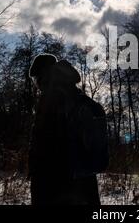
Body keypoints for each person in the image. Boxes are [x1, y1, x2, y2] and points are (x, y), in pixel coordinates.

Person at [28, 54, 103, 205]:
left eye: (35, 78)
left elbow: (43, 145)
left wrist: (37, 177)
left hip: (56, 181)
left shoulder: (50, 98)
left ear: (43, 75)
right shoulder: (76, 95)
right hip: (83, 179)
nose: (36, 84)